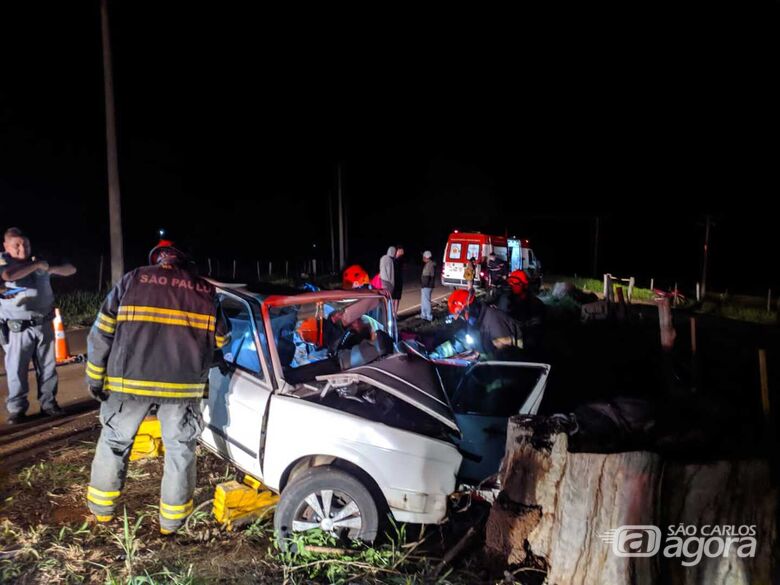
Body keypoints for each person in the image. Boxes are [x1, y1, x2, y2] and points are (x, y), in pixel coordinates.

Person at [85, 239, 230, 534]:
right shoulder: (205, 290)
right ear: (184, 261)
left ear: (156, 259)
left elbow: (101, 333)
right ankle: (171, 523)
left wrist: (95, 378)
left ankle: (102, 512)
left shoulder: (133, 280)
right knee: (179, 449)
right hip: (182, 388)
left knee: (115, 442)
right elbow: (221, 341)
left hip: (129, 384)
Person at [0, 227, 76, 424]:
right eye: (16, 245)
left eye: (25, 244)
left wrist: (49, 269)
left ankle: (49, 404)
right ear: (6, 246)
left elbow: (71, 269)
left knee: (48, 368)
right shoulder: (3, 262)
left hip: (43, 324)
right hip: (18, 328)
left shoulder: (39, 259)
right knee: (17, 370)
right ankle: (17, 410)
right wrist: (37, 266)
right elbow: (8, 276)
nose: (22, 248)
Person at [420, 250, 436, 321]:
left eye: (424, 257)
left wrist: (424, 285)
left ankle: (429, 316)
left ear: (427, 257)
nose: (423, 258)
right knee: (424, 301)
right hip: (426, 285)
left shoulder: (429, 265)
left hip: (427, 285)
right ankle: (424, 315)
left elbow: (427, 276)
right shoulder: (429, 264)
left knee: (426, 301)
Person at [391, 246, 405, 313]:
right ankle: (392, 313)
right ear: (398, 250)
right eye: (401, 250)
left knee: (397, 298)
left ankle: (395, 313)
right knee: (393, 299)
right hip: (393, 281)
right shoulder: (392, 260)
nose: (402, 252)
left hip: (399, 281)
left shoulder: (401, 260)